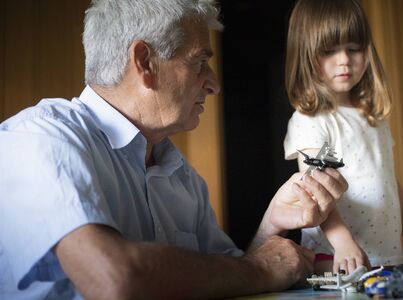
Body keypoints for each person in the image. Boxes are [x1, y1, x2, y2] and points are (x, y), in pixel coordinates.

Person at [0, 0, 350, 299]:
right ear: (145, 62)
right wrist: (259, 268)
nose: (213, 83)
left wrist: (269, 227)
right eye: (200, 62)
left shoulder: (182, 176)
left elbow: (231, 275)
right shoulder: (39, 138)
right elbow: (114, 280)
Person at [283, 0, 403, 276]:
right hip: (335, 257)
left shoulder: (374, 118)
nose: (344, 60)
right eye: (329, 51)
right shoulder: (310, 120)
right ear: (306, 55)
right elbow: (315, 191)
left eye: (353, 48)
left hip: (386, 256)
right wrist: (344, 244)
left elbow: (389, 182)